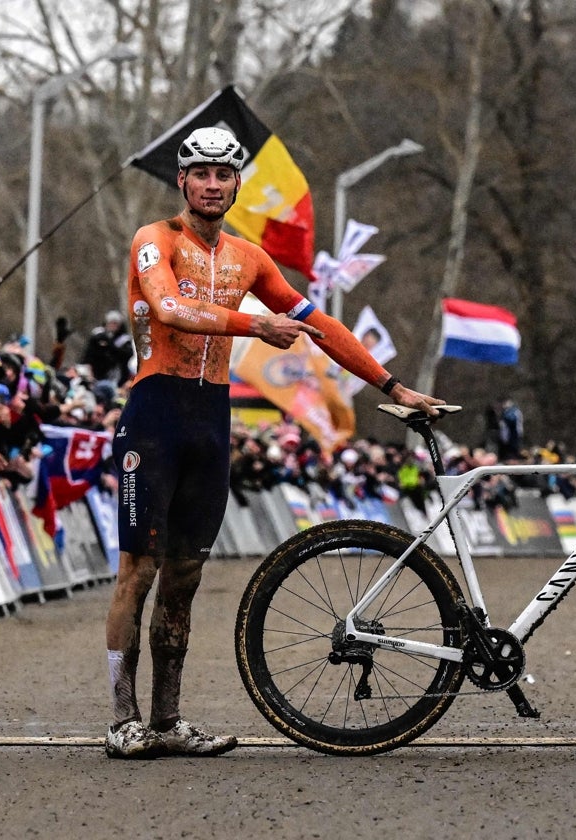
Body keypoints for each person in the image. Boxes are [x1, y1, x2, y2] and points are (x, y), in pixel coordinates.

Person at [103, 126, 444, 760]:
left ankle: (168, 719)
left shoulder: (247, 256)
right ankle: (123, 720)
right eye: (200, 173)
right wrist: (255, 323)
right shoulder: (155, 240)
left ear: (235, 184)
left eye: (222, 175)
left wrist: (393, 384)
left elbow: (320, 324)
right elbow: (169, 307)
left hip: (210, 417)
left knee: (185, 576)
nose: (211, 184)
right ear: (182, 180)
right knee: (138, 570)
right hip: (154, 415)